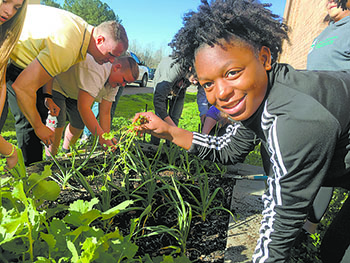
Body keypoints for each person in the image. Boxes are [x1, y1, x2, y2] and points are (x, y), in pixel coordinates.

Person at [133, 0, 350, 262]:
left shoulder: (295, 120)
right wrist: (168, 130)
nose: (221, 93)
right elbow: (228, 149)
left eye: (233, 72)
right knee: (332, 251)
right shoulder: (260, 95)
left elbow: (278, 228)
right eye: (208, 84)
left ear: (264, 58)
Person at [2, 4, 128, 166]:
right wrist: (39, 126)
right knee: (31, 127)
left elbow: (48, 64)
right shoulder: (70, 45)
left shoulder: (79, 30)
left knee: (33, 121)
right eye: (111, 55)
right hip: (9, 56)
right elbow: (23, 88)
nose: (112, 61)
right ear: (100, 40)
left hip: (19, 62)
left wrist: (47, 96)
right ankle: (28, 179)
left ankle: (30, 178)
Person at [298, 0, 350, 238]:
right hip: (314, 113)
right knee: (315, 170)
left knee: (329, 172)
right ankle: (304, 230)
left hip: (340, 117)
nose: (328, 1)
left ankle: (309, 230)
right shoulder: (327, 30)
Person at [45, 55, 138, 157]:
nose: (123, 85)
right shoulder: (99, 70)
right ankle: (50, 160)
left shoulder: (115, 84)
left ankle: (65, 152)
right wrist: (101, 138)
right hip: (58, 84)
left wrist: (106, 137)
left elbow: (105, 112)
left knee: (78, 124)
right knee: (58, 121)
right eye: (124, 80)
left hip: (77, 92)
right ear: (117, 67)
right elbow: (84, 107)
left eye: (127, 83)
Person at [151, 55, 208, 145]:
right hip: (163, 84)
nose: (195, 83)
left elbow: (202, 93)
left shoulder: (200, 71)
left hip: (180, 88)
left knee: (175, 117)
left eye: (198, 81)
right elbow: (159, 99)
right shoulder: (174, 68)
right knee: (159, 118)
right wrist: (167, 120)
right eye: (194, 79)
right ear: (190, 68)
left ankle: (170, 147)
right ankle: (154, 145)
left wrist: (204, 112)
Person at [0, 0, 27, 172]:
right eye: (5, 1)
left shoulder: (4, 36)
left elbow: (1, 81)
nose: (9, 12)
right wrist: (10, 152)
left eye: (17, 8)